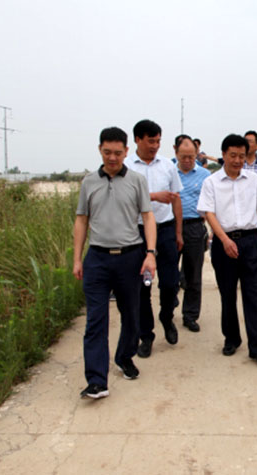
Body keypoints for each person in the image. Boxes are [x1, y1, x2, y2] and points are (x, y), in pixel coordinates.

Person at [73, 126, 157, 399]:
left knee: (131, 314)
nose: (112, 158)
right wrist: (77, 259)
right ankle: (97, 380)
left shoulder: (136, 181)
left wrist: (150, 253)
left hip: (130, 257)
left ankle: (124, 356)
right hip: (97, 259)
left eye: (118, 153)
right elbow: (81, 220)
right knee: (95, 320)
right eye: (107, 152)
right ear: (100, 150)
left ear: (126, 151)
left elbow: (148, 217)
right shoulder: (89, 182)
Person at [197, 133, 257, 364]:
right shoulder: (211, 182)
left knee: (253, 295)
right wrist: (224, 240)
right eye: (233, 155)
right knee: (227, 294)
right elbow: (209, 213)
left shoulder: (253, 180)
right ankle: (231, 338)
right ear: (223, 155)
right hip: (224, 242)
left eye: (241, 156)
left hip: (250, 242)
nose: (238, 160)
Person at [124, 120, 183, 359]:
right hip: (136, 232)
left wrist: (178, 231)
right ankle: (146, 335)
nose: (155, 146)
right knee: (142, 287)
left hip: (165, 230)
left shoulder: (168, 165)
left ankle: (166, 317)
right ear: (138, 140)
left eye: (158, 141)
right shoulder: (126, 167)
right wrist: (153, 196)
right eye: (151, 141)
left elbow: (176, 199)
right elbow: (123, 198)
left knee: (170, 282)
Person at [175, 136, 211, 332]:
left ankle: (190, 315)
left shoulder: (205, 175)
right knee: (169, 274)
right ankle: (168, 308)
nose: (188, 160)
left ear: (197, 154)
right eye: (184, 156)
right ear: (176, 153)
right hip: (171, 227)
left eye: (191, 156)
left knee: (193, 276)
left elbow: (212, 204)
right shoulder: (169, 172)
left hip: (195, 227)